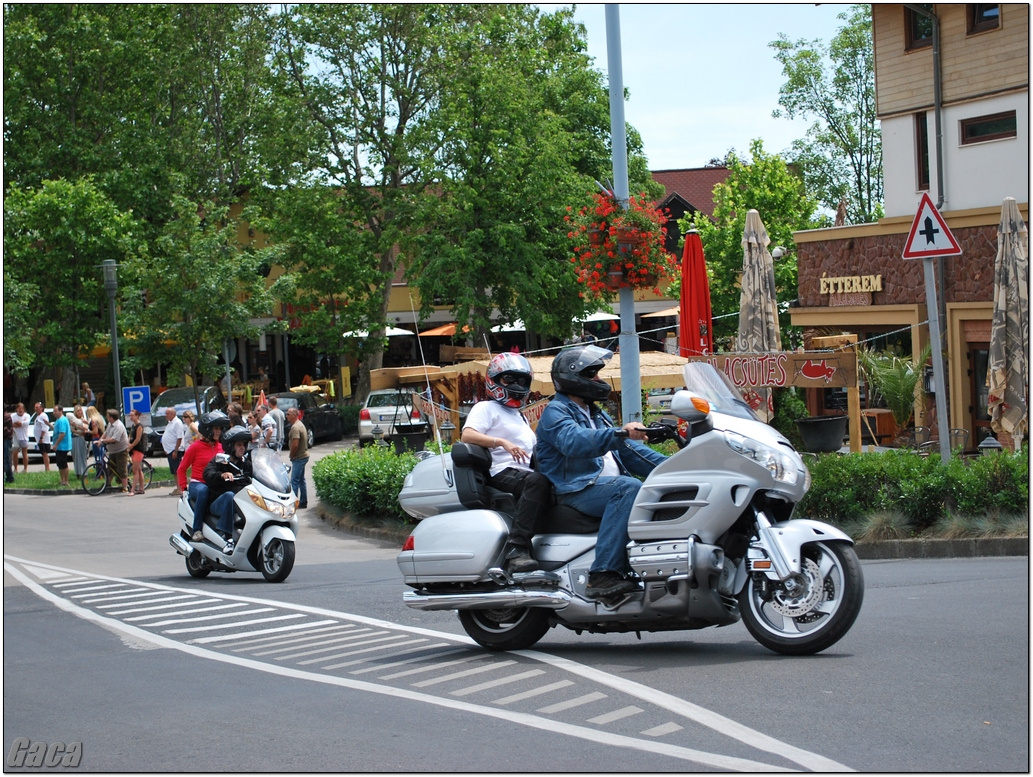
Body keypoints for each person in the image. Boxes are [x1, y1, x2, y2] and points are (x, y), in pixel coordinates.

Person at [535, 345, 667, 599]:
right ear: (573, 377)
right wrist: (621, 433)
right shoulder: (556, 411)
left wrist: (678, 467)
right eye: (592, 374)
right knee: (627, 487)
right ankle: (603, 574)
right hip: (574, 489)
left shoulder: (596, 414)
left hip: (597, 487)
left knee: (654, 490)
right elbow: (574, 441)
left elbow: (633, 454)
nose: (599, 379)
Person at [460, 353, 552, 573]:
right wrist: (501, 442)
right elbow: (467, 436)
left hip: (524, 473)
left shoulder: (518, 415)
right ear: (494, 379)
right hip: (501, 472)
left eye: (521, 380)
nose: (515, 385)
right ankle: (516, 549)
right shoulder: (485, 408)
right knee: (537, 481)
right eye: (508, 379)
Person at [178, 411, 230, 542]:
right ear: (208, 430)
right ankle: (197, 529)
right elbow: (182, 469)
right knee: (203, 490)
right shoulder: (196, 447)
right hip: (198, 483)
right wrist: (183, 488)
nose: (219, 432)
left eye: (220, 429)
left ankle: (225, 531)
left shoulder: (222, 448)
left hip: (215, 483)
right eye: (216, 428)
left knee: (230, 495)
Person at [203, 425, 253, 554]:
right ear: (231, 446)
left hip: (240, 503)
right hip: (218, 502)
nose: (242, 447)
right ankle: (228, 538)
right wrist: (222, 475)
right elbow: (207, 474)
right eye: (239, 445)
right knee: (229, 495)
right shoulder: (220, 460)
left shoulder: (245, 463)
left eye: (244, 444)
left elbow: (258, 477)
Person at [99, 408, 130, 494]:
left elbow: (115, 439)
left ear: (111, 417)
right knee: (110, 468)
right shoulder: (110, 424)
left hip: (121, 450)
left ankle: (125, 487)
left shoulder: (118, 426)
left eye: (108, 416)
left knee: (121, 468)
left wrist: (103, 441)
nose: (106, 417)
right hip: (113, 450)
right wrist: (100, 440)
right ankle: (107, 484)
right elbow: (105, 433)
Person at [286, 406, 309, 509]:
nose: (286, 416)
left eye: (288, 414)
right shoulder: (299, 424)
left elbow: (295, 444)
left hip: (299, 457)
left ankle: (293, 504)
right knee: (301, 480)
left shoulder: (295, 427)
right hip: (303, 455)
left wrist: (292, 454)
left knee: (294, 480)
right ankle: (303, 501)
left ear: (294, 415)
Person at [161, 407, 186, 496]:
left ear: (173, 414)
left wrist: (175, 450)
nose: (166, 415)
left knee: (177, 470)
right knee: (174, 470)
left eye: (168, 413)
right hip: (169, 450)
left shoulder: (177, 423)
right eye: (166, 413)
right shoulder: (170, 423)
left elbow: (179, 437)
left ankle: (181, 488)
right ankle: (178, 487)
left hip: (175, 450)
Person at [51, 405, 74, 487]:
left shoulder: (62, 420)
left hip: (62, 446)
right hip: (59, 446)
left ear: (61, 411)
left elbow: (62, 433)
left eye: (55, 411)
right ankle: (62, 479)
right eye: (53, 411)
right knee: (59, 463)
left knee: (63, 463)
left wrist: (56, 444)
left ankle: (66, 480)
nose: (54, 413)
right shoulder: (58, 420)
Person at [126, 408, 147, 495]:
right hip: (133, 449)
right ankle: (141, 488)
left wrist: (131, 446)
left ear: (137, 416)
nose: (131, 417)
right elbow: (130, 436)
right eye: (130, 415)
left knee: (135, 470)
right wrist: (127, 443)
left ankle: (133, 490)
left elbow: (138, 439)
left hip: (138, 449)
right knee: (138, 469)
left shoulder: (139, 426)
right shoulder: (133, 426)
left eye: (132, 415)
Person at [11, 402, 31, 474]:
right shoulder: (13, 416)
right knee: (15, 453)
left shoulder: (27, 415)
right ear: (16, 409)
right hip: (15, 436)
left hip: (24, 437)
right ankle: (15, 469)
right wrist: (19, 424)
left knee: (24, 453)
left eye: (22, 409)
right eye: (19, 409)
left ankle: (25, 469)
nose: (20, 410)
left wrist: (20, 423)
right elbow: (11, 424)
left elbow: (26, 423)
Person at [70, 405, 90, 477]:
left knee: (82, 455)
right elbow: (71, 429)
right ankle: (77, 472)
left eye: (80, 410)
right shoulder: (73, 420)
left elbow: (85, 428)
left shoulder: (83, 419)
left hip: (81, 438)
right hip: (74, 438)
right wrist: (76, 430)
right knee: (75, 455)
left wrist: (77, 427)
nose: (80, 412)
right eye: (78, 411)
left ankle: (84, 472)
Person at [33, 401, 53, 472]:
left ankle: (47, 468)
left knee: (45, 453)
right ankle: (46, 467)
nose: (36, 409)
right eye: (35, 407)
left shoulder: (43, 415)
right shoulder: (38, 416)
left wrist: (41, 437)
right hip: (39, 439)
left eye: (37, 407)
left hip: (43, 439)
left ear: (41, 408)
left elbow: (44, 428)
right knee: (43, 453)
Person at [4, 410, 15, 483]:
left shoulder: (6, 416)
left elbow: (6, 430)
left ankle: (10, 477)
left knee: (6, 460)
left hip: (6, 440)